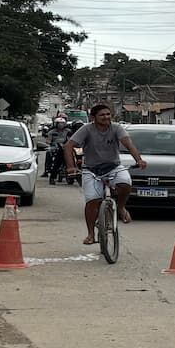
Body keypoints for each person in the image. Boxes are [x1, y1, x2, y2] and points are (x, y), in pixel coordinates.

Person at [64, 104, 147, 246]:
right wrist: (71, 167)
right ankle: (90, 234)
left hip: (113, 167)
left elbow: (128, 144)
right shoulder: (86, 129)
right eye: (102, 115)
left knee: (125, 183)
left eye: (108, 114)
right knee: (92, 202)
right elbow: (68, 146)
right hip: (91, 170)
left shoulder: (116, 128)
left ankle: (120, 207)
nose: (106, 117)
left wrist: (138, 160)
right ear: (93, 117)